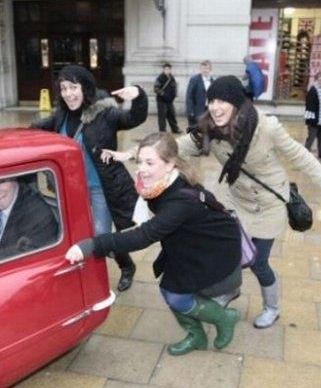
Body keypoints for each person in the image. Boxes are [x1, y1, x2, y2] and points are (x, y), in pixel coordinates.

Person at [104, 76, 321, 330]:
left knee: (258, 261)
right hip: (238, 200)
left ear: (237, 103)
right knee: (232, 251)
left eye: (222, 101)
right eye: (211, 101)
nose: (215, 107)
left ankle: (272, 308)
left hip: (269, 202)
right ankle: (231, 290)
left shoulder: (266, 127)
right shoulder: (210, 129)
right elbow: (173, 148)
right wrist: (132, 155)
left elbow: (298, 155)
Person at [67, 132, 242, 355]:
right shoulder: (158, 185)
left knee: (175, 294)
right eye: (140, 161)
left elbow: (142, 236)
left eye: (150, 162)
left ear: (170, 165)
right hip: (188, 244)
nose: (141, 168)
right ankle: (197, 335)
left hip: (214, 249)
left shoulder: (178, 199)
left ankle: (224, 318)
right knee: (170, 288)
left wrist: (90, 246)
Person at [32, 65, 147, 292]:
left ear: (85, 87)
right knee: (74, 232)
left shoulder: (105, 113)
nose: (68, 93)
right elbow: (38, 128)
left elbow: (134, 117)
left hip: (99, 187)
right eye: (64, 88)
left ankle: (126, 266)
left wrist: (139, 95)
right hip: (71, 188)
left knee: (101, 234)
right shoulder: (62, 115)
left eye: (73, 87)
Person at [185, 60, 213, 132]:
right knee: (195, 130)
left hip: (208, 110)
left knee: (206, 129)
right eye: (203, 68)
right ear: (200, 69)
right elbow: (189, 97)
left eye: (207, 68)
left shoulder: (212, 81)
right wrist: (190, 111)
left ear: (210, 70)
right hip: (197, 110)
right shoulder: (194, 80)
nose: (205, 70)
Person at [154, 63, 180, 133]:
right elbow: (156, 89)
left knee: (172, 115)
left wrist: (174, 95)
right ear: (163, 70)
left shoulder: (172, 78)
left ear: (170, 70)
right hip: (161, 101)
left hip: (170, 101)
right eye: (165, 69)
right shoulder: (160, 78)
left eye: (168, 69)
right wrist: (163, 95)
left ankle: (175, 129)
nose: (167, 70)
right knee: (162, 116)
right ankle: (162, 131)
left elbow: (174, 87)